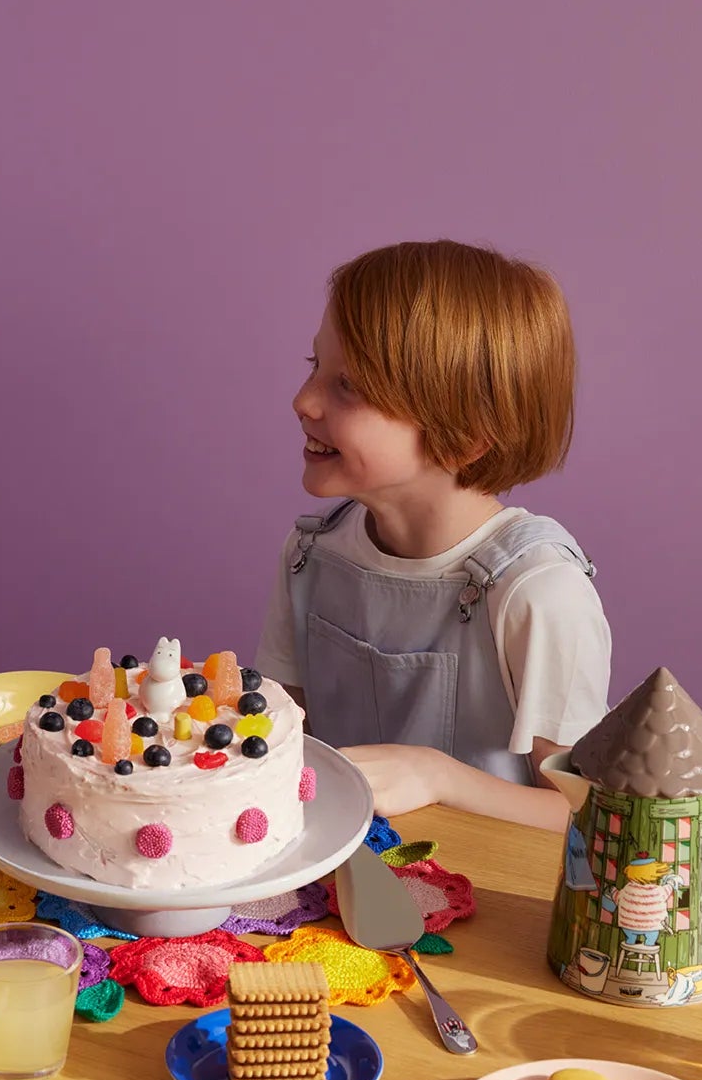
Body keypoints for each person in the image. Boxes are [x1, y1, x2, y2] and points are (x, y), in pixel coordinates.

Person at [254, 240, 610, 830]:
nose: (303, 400)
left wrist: (437, 776)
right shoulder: (309, 558)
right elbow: (282, 744)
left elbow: (588, 819)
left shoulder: (541, 595)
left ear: (466, 436)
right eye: (315, 366)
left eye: (349, 386)